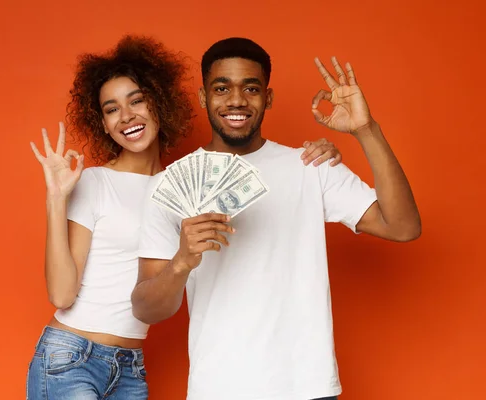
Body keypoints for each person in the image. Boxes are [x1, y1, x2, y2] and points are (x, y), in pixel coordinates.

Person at [26, 35, 342, 400]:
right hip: (70, 357)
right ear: (104, 123)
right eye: (112, 109)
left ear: (159, 103)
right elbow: (62, 294)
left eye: (137, 101)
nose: (127, 116)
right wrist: (56, 200)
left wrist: (323, 152)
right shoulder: (96, 182)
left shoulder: (189, 183)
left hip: (130, 366)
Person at [132, 37, 421, 400]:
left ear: (267, 98)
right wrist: (181, 263)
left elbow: (403, 226)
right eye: (222, 88)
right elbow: (145, 308)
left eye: (250, 88)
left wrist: (366, 129)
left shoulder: (311, 167)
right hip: (217, 388)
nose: (236, 100)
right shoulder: (169, 185)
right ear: (205, 98)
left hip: (308, 386)